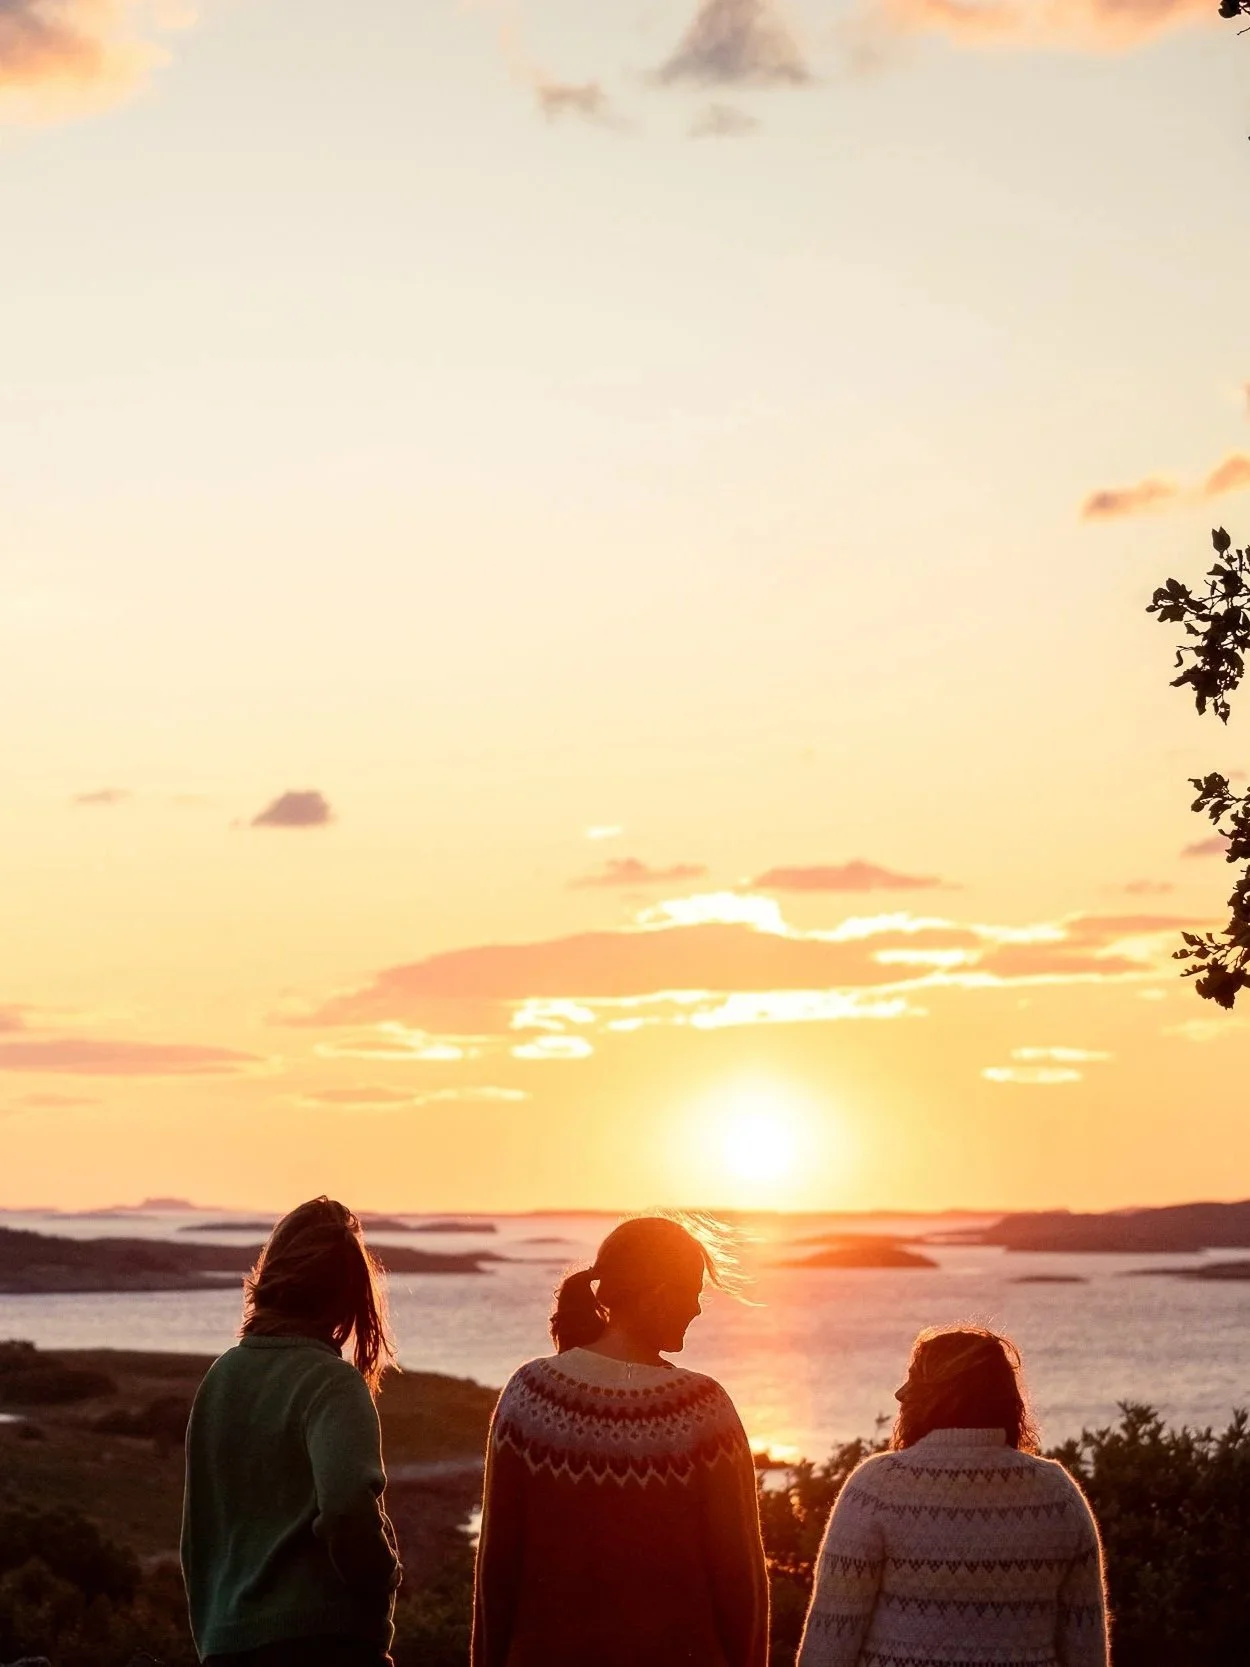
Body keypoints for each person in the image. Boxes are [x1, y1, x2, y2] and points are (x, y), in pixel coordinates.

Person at [471, 1213, 769, 1667]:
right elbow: (740, 1580)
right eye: (692, 1293)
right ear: (657, 1295)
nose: (697, 1309)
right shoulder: (703, 1410)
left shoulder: (529, 1395)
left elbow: (497, 1570)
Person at [798, 1325, 1110, 1667]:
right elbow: (1086, 1645)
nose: (900, 1394)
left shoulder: (876, 1489)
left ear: (935, 1395)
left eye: (913, 1380)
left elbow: (831, 1639)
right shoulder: (1057, 1494)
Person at [181, 1197, 401, 1667]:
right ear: (349, 1293)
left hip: (225, 1643)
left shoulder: (221, 1377)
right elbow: (345, 1510)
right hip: (323, 1644)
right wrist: (381, 1575)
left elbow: (200, 1530)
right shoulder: (332, 1382)